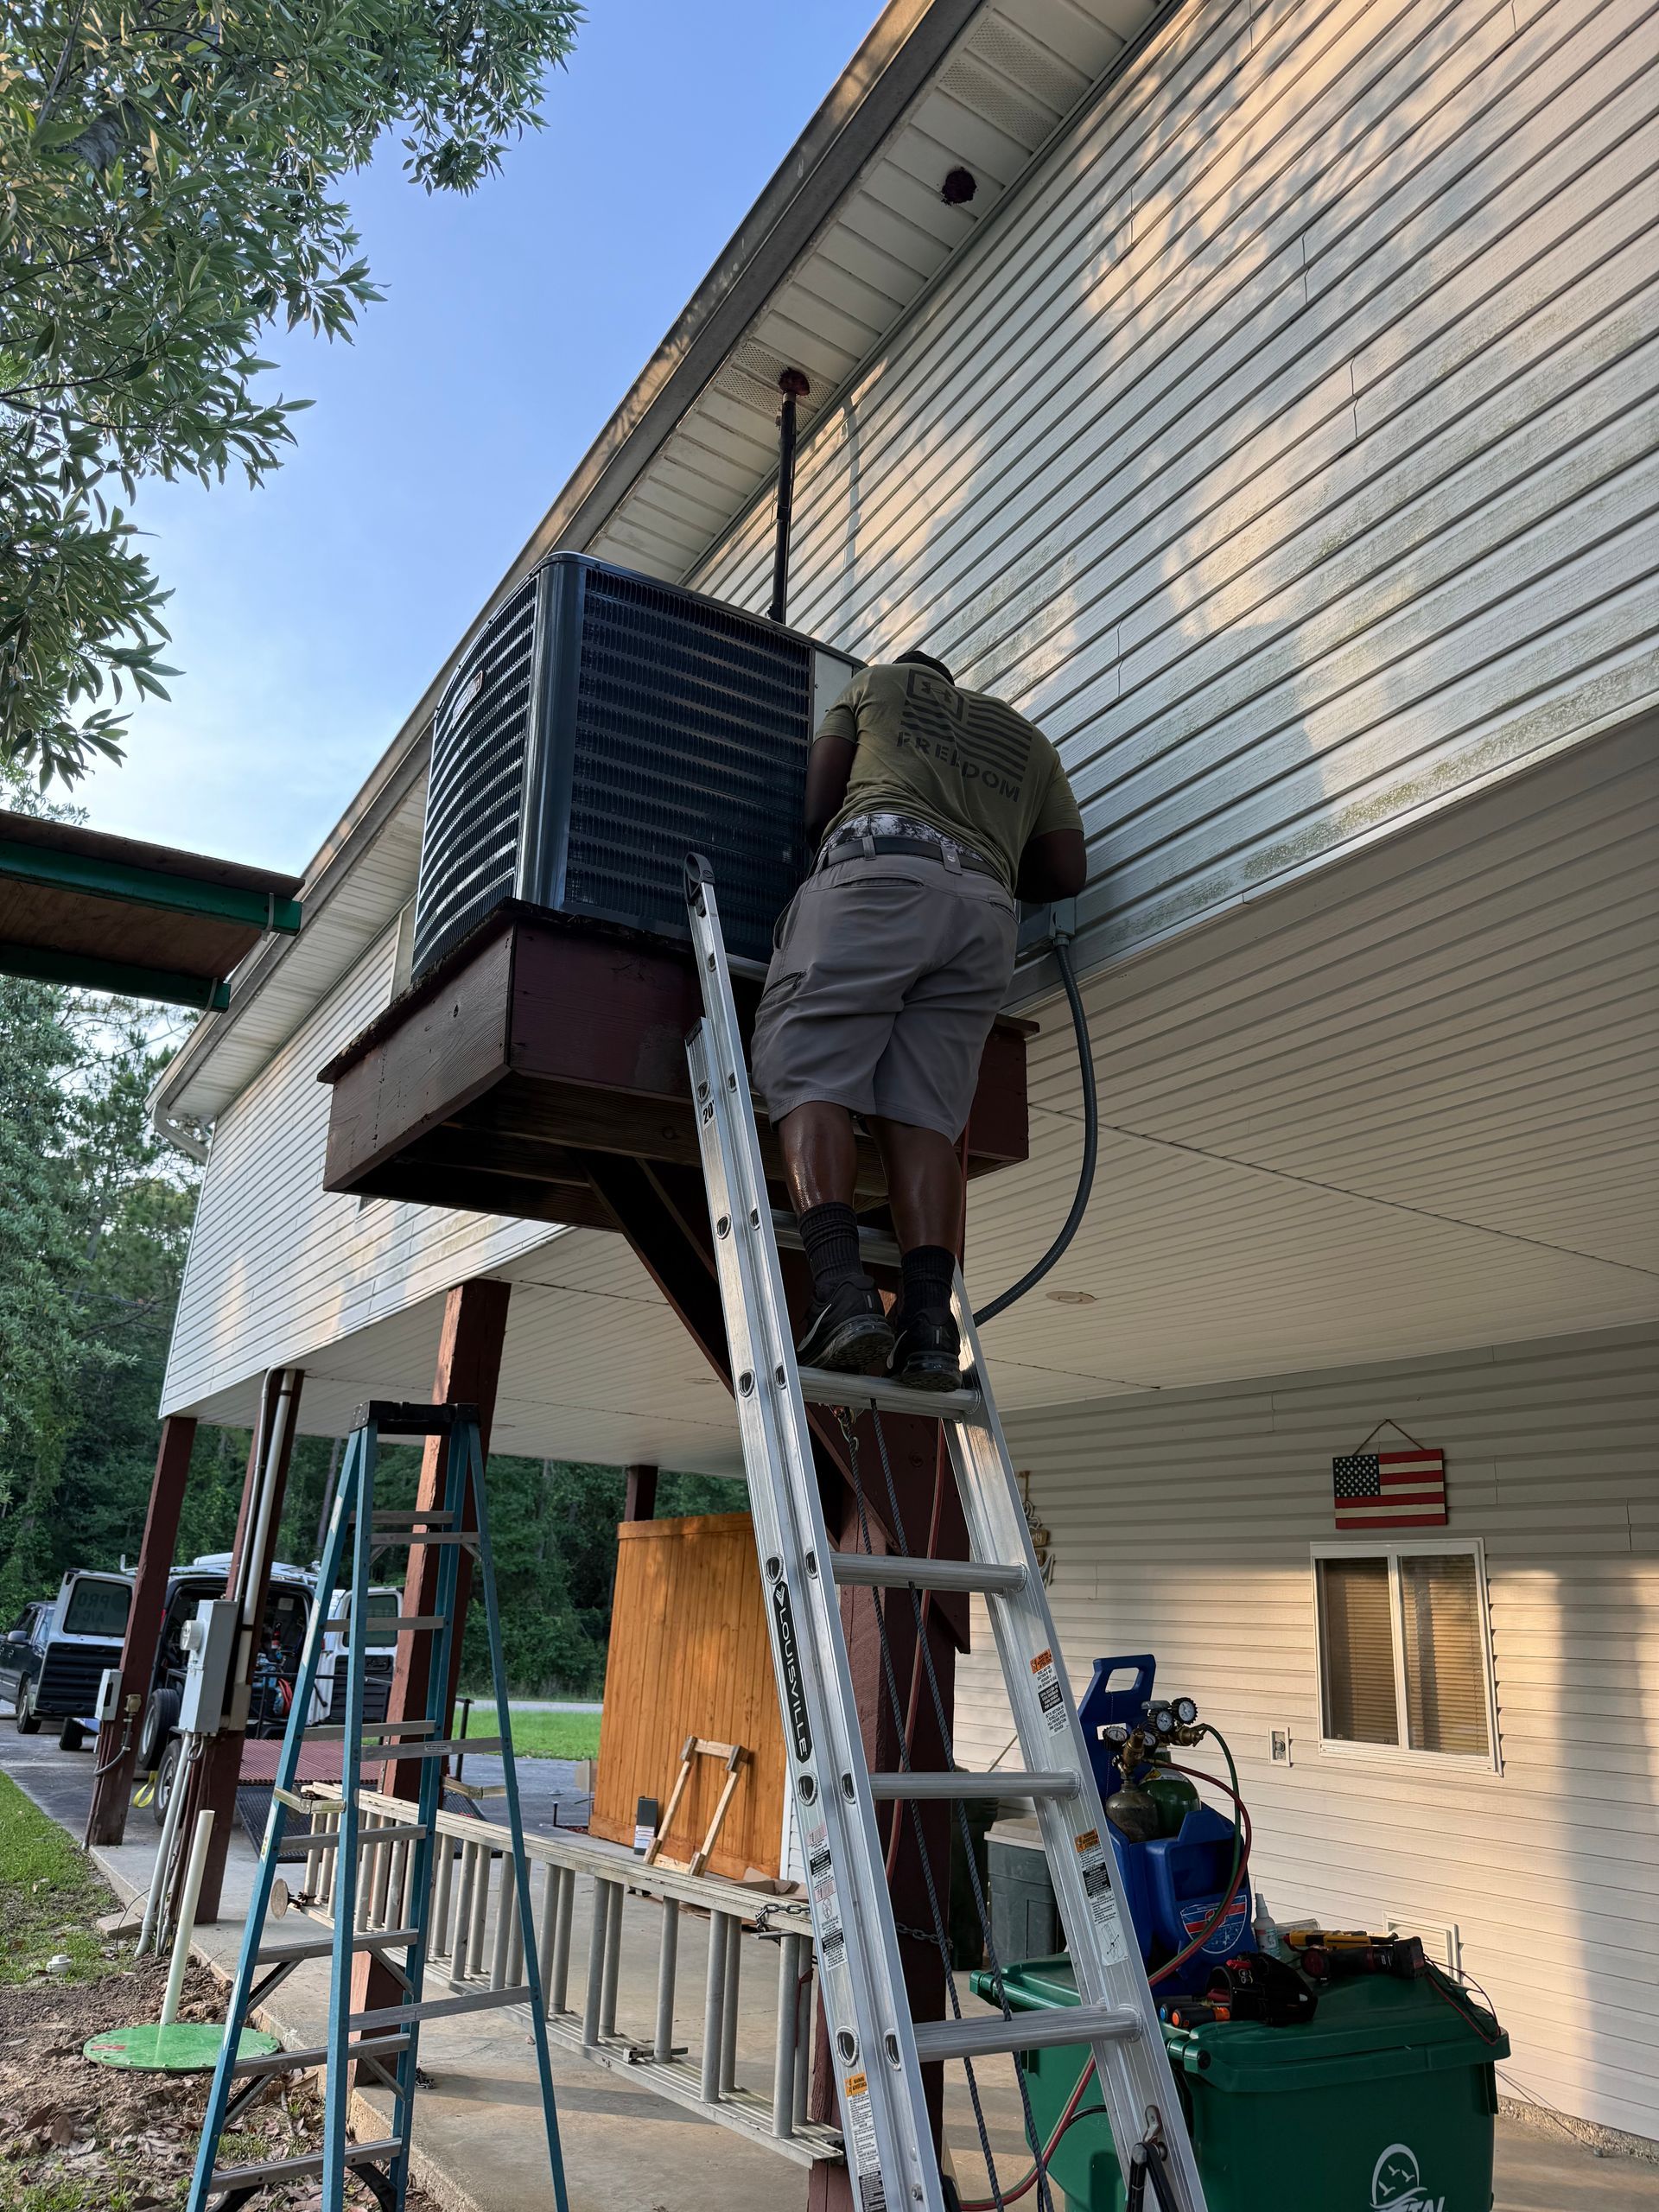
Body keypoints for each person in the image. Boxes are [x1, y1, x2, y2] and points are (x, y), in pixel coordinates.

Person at [751, 648, 1085, 1389]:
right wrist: (979, 862)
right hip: (987, 917)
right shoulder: (1029, 740)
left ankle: (842, 1291)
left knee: (809, 1070)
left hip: (879, 870)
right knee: (924, 1118)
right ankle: (930, 1321)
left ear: (906, 673)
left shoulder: (876, 686)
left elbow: (816, 808)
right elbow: (1066, 872)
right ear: (952, 681)